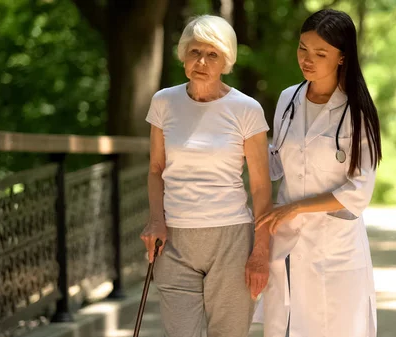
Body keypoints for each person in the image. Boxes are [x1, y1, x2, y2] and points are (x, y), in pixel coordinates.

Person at [140, 15, 272, 337]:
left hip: (231, 239)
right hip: (175, 240)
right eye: (194, 51)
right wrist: (156, 220)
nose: (202, 61)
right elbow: (156, 169)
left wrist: (261, 251)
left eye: (212, 54)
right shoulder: (164, 102)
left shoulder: (246, 109)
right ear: (184, 55)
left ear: (226, 60)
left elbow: (260, 185)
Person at [256, 9, 382, 337]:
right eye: (303, 48)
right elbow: (275, 165)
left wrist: (296, 207)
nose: (307, 60)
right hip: (285, 242)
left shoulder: (358, 112)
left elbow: (359, 191)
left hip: (335, 248)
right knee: (284, 328)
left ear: (342, 57)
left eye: (320, 53)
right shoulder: (288, 99)